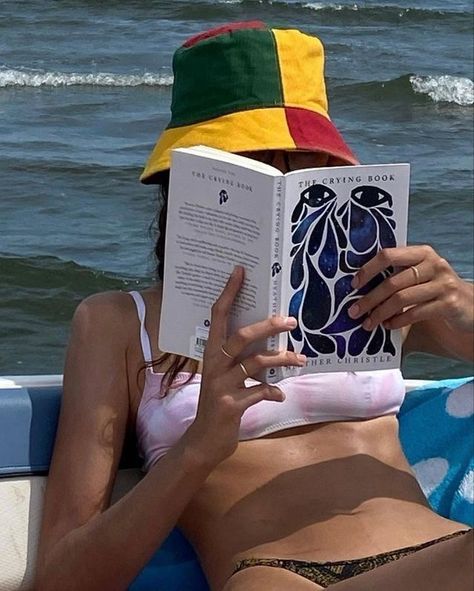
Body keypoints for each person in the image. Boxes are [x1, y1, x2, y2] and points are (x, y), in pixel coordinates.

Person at [35, 21, 473, 591]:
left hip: (435, 554)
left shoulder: (363, 288)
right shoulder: (119, 324)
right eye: (248, 163)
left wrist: (460, 302)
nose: (280, 177)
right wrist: (196, 451)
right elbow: (63, 579)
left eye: (298, 162)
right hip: (281, 577)